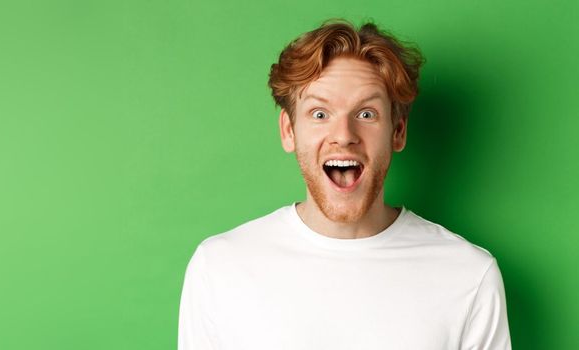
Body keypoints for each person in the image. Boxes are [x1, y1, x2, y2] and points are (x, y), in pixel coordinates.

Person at [177, 19, 511, 349]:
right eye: (320, 114)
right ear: (289, 130)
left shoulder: (468, 275)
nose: (344, 136)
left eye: (366, 114)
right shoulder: (220, 268)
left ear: (398, 131)